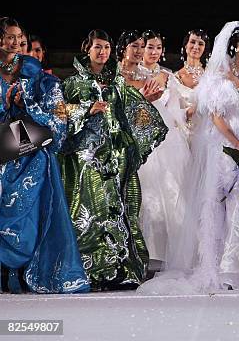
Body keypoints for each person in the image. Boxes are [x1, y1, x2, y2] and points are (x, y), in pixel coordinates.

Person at [139, 22, 239, 293]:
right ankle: (231, 268)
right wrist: (236, 143)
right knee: (229, 203)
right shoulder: (220, 78)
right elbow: (216, 116)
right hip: (226, 148)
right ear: (233, 47)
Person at [61, 29, 167, 291]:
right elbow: (60, 113)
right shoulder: (74, 83)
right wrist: (87, 108)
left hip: (113, 156)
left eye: (106, 47)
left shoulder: (116, 81)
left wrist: (146, 100)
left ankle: (115, 269)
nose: (102, 52)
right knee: (89, 211)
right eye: (98, 47)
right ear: (87, 49)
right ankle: (88, 269)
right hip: (85, 157)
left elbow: (130, 110)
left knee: (115, 209)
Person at [0, 17, 89, 294]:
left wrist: (25, 103)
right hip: (3, 155)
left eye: (18, 38)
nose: (14, 43)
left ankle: (24, 274)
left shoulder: (38, 76)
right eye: (8, 37)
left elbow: (57, 123)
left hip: (31, 158)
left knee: (28, 220)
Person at [136, 30, 191, 268]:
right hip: (143, 133)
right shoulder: (132, 73)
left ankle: (169, 252)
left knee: (172, 190)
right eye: (149, 47)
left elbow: (178, 108)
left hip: (168, 135)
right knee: (147, 193)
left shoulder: (168, 76)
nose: (154, 52)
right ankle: (144, 251)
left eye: (158, 47)